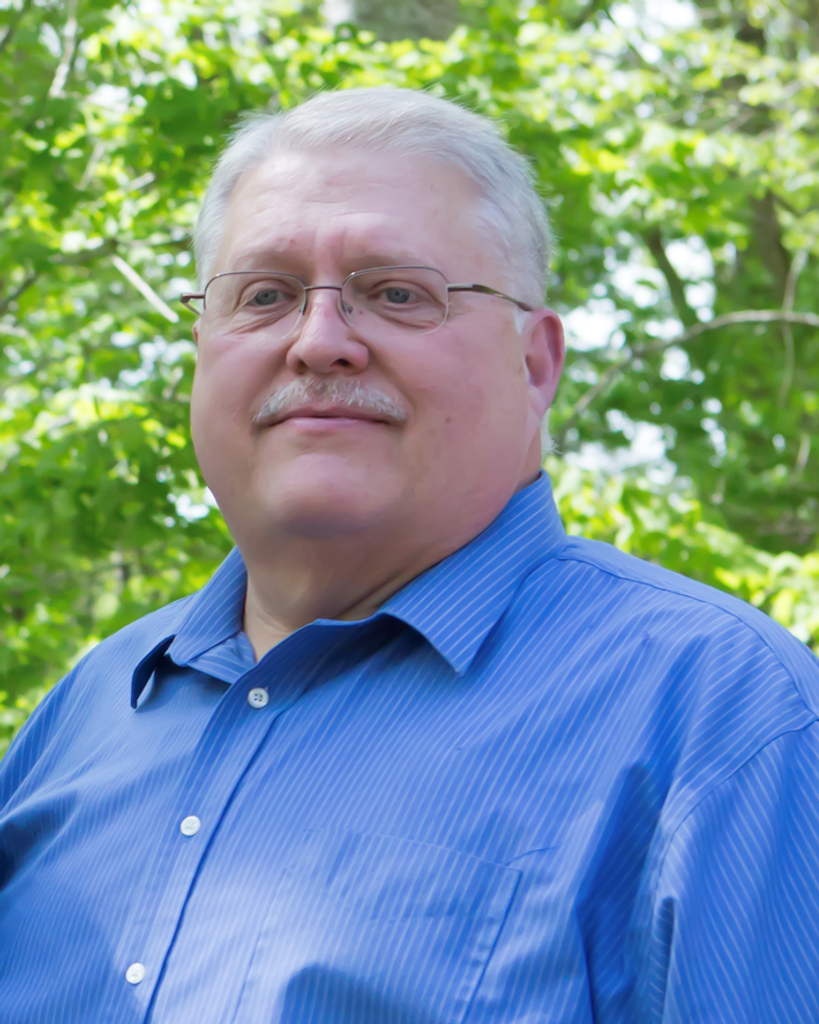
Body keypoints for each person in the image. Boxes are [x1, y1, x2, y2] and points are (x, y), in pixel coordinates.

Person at [1, 87, 818, 1024]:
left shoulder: (723, 719)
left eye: (397, 294)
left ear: (535, 364)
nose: (318, 342)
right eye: (264, 296)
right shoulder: (89, 710)